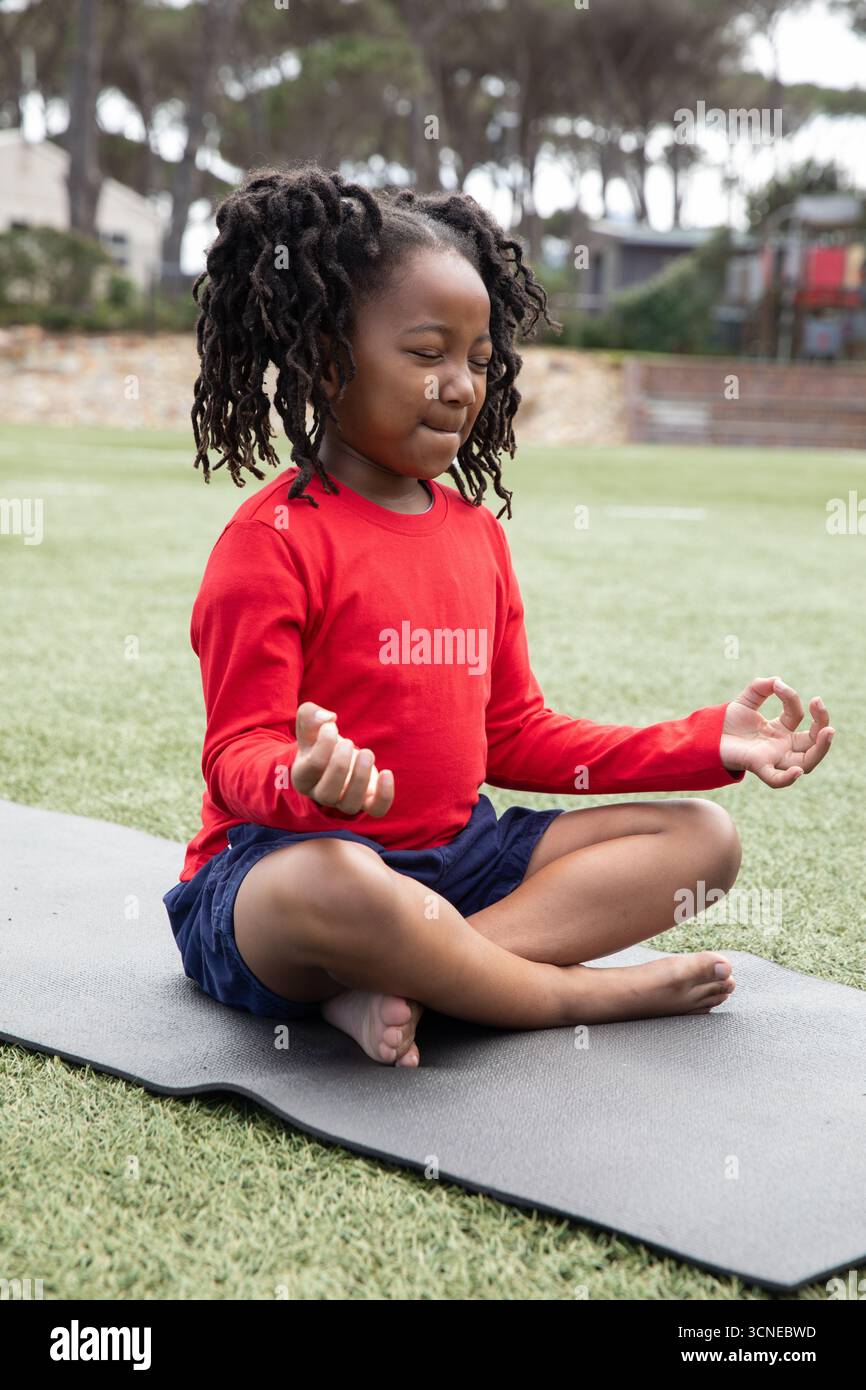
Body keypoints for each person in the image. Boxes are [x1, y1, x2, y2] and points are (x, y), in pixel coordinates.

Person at [162, 162, 835, 1068]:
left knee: (702, 841)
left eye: (479, 362)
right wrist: (302, 780)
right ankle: (555, 995)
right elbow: (234, 752)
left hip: (460, 866)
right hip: (280, 875)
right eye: (428, 353)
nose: (462, 386)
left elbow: (514, 734)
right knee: (342, 881)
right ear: (327, 355)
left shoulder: (475, 536)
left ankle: (415, 979)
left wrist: (708, 742)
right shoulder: (271, 541)